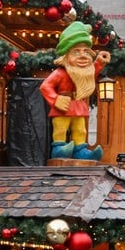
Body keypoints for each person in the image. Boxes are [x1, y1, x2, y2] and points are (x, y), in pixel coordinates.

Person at [40, 21, 111, 160]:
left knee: (80, 130)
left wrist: (99, 63)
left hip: (78, 105)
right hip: (63, 105)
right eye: (76, 52)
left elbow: (90, 76)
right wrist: (55, 99)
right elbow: (45, 86)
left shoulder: (82, 72)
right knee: (60, 129)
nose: (83, 55)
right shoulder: (60, 73)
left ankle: (81, 151)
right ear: (66, 55)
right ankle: (59, 149)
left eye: (86, 51)